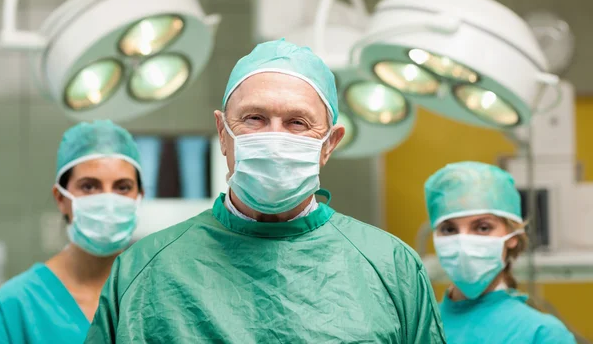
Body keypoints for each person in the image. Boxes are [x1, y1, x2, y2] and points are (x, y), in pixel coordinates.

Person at [85, 39, 446, 343]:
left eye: (297, 123)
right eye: (254, 119)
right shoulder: (145, 269)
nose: (274, 139)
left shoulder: (391, 268)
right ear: (223, 132)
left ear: (329, 144)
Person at [0, 120, 143, 344]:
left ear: (139, 195)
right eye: (89, 186)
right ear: (61, 198)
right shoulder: (15, 305)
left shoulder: (157, 291)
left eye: (123, 187)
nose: (108, 200)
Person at [425, 161, 576, 344]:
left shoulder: (542, 334)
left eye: (482, 227)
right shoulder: (419, 329)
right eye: (449, 230)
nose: (463, 243)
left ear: (513, 236)